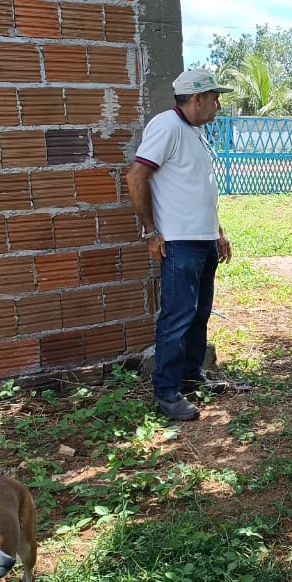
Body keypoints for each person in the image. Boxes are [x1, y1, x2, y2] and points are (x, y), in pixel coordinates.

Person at [127, 68, 235, 422]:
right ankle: (167, 391)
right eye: (215, 98)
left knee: (199, 313)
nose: (218, 105)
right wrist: (151, 231)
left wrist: (217, 231)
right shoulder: (167, 126)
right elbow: (136, 175)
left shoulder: (195, 131)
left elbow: (198, 188)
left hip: (203, 240)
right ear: (197, 98)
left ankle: (191, 376)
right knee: (177, 316)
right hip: (179, 241)